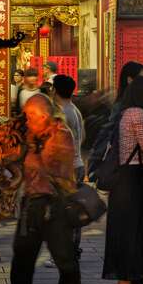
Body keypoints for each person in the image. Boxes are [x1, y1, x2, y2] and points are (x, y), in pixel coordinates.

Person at [8, 94, 80, 284]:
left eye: (30, 116)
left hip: (56, 205)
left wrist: (31, 145)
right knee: (22, 258)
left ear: (44, 116)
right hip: (31, 203)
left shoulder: (61, 134)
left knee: (65, 259)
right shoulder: (29, 134)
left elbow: (51, 166)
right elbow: (15, 160)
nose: (27, 121)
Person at [102, 75, 143, 284]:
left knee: (131, 234)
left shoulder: (127, 112)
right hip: (131, 182)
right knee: (130, 236)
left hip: (127, 181)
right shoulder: (138, 114)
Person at [53, 75, 86, 260]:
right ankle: (72, 249)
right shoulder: (73, 109)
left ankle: (66, 250)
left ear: (54, 90)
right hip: (76, 163)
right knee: (72, 211)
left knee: (66, 211)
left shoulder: (63, 112)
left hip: (68, 167)